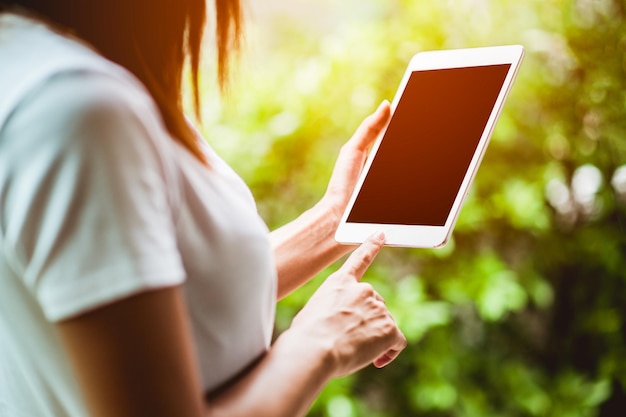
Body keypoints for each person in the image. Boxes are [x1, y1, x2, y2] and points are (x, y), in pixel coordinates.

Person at [0, 1, 407, 416]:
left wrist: (334, 219)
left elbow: (177, 293)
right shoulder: (77, 107)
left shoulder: (34, 67)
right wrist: (322, 343)